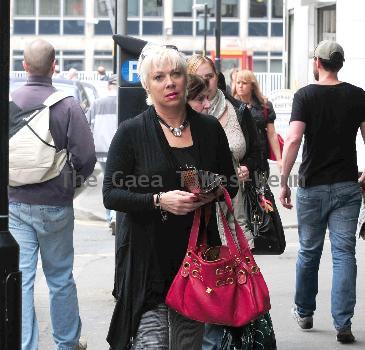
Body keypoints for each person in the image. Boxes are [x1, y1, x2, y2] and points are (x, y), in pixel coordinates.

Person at [103, 44, 237, 350]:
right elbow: (111, 194)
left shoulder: (208, 128)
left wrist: (211, 193)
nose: (170, 82)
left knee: (188, 342)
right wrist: (159, 200)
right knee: (152, 343)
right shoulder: (131, 133)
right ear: (147, 85)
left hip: (196, 256)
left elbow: (230, 182)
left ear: (186, 80)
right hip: (146, 258)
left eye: (176, 73)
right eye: (159, 76)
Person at [9, 39, 96, 350]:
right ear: (54, 66)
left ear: (24, 66)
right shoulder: (68, 105)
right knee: (60, 278)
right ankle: (67, 343)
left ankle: (24, 344)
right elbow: (86, 158)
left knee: (22, 280)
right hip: (56, 203)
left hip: (17, 203)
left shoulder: (10, 103)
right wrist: (70, 185)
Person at [279, 40, 365, 344]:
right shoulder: (358, 96)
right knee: (344, 254)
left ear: (318, 62)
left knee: (309, 250)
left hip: (312, 186)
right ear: (340, 63)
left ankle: (304, 311)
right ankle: (343, 323)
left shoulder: (305, 95)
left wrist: (284, 179)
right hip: (347, 186)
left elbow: (292, 139)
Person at [187, 56, 269, 350]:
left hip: (234, 208)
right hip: (204, 211)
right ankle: (214, 336)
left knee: (233, 277)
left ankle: (230, 335)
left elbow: (257, 153)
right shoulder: (186, 118)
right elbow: (183, 171)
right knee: (207, 278)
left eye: (210, 77)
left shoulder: (235, 108)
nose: (207, 84)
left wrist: (246, 165)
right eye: (200, 78)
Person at [233, 69, 282, 174]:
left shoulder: (265, 105)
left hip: (260, 158)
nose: (240, 86)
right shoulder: (230, 105)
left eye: (244, 83)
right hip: (239, 159)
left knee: (261, 188)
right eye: (238, 82)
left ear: (252, 86)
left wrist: (279, 159)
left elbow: (272, 134)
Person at [87, 74, 118, 234]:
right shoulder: (123, 102)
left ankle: (110, 216)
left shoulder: (97, 104)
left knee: (108, 182)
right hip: (119, 150)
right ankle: (114, 215)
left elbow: (87, 127)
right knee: (119, 182)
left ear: (108, 86)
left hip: (101, 151)